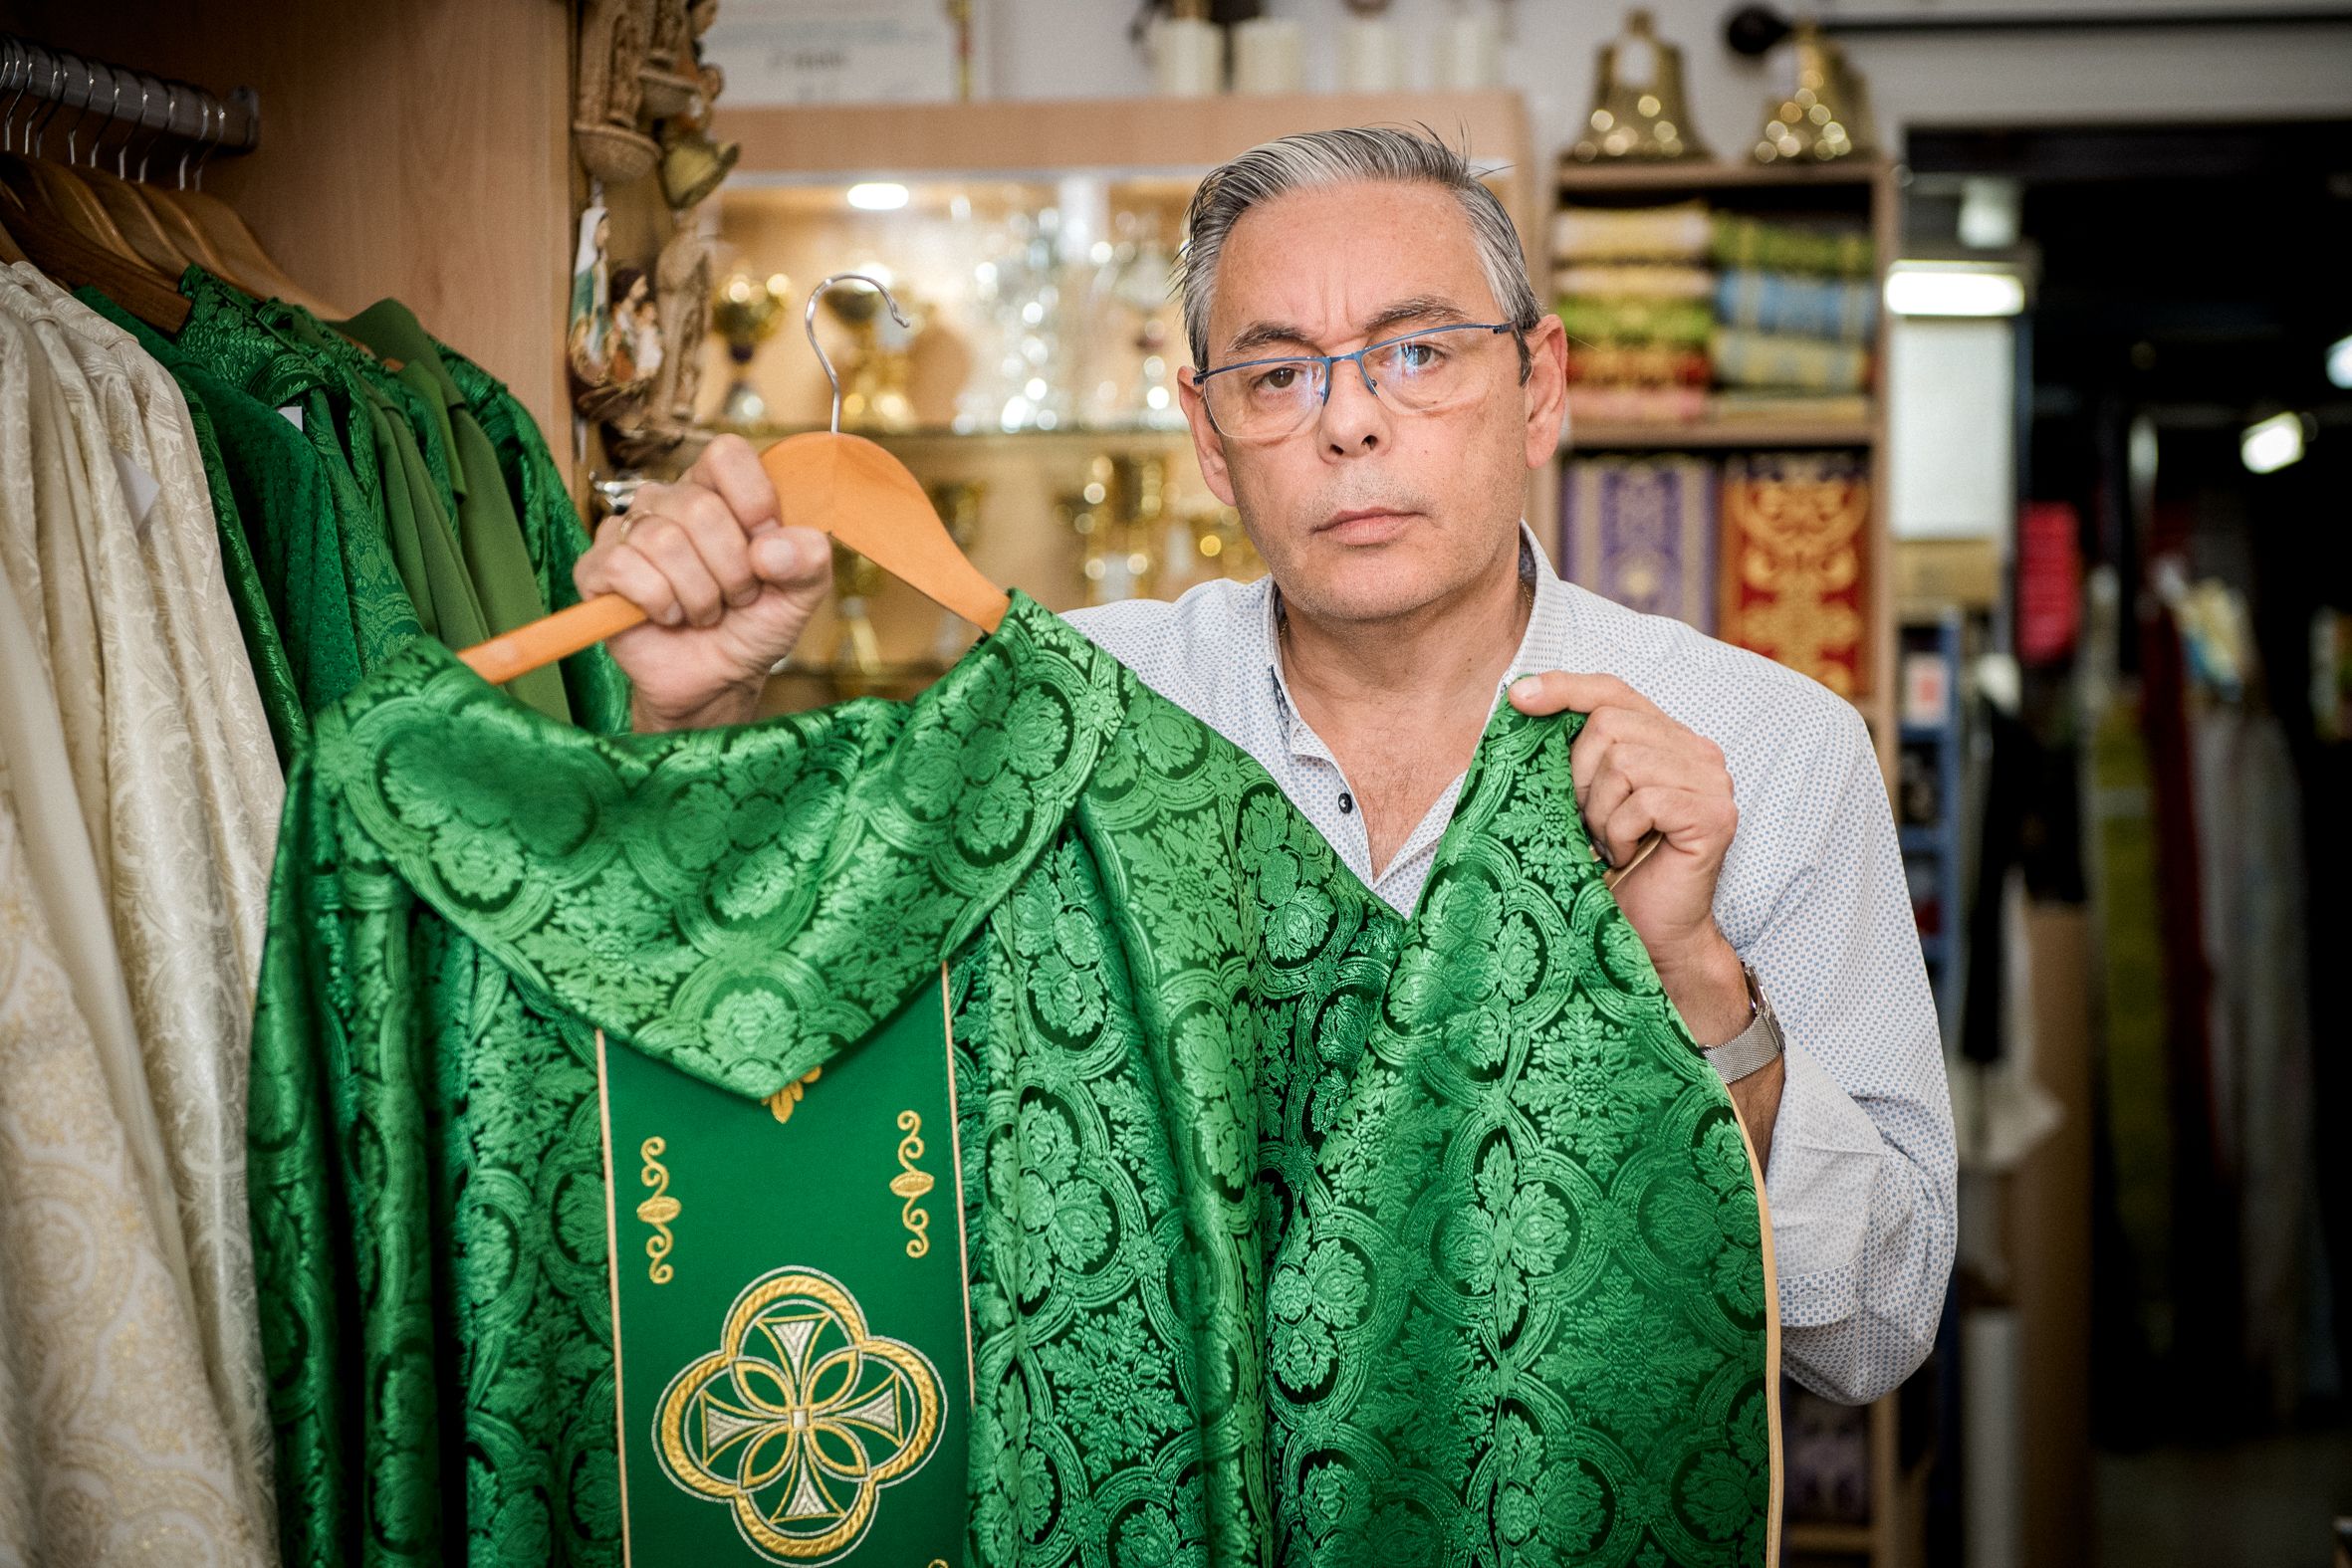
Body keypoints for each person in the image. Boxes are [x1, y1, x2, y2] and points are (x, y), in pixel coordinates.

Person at [569, 125, 1956, 1406]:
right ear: (1209, 440)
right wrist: (693, 723)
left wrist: (1696, 983)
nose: (1349, 423)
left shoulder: (1766, 748)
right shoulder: (1071, 712)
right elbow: (796, 1072)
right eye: (1279, 375)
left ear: (1538, 386)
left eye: (1420, 352)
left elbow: (1875, 1330)